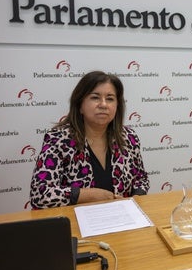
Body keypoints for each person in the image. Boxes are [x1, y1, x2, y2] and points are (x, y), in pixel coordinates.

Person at [30, 70, 149, 208]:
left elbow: (141, 179)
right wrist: (88, 195)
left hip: (124, 220)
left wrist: (137, 197)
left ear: (117, 106)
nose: (103, 104)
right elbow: (40, 194)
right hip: (77, 223)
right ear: (80, 105)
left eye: (110, 98)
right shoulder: (59, 140)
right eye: (95, 97)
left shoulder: (128, 137)